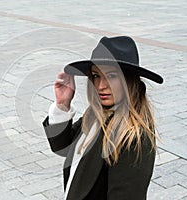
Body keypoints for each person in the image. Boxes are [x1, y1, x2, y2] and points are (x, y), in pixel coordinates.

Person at [42, 36, 163, 200]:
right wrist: (62, 105)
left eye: (111, 76)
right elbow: (61, 146)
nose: (100, 86)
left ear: (129, 80)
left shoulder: (133, 137)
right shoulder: (95, 114)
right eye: (96, 75)